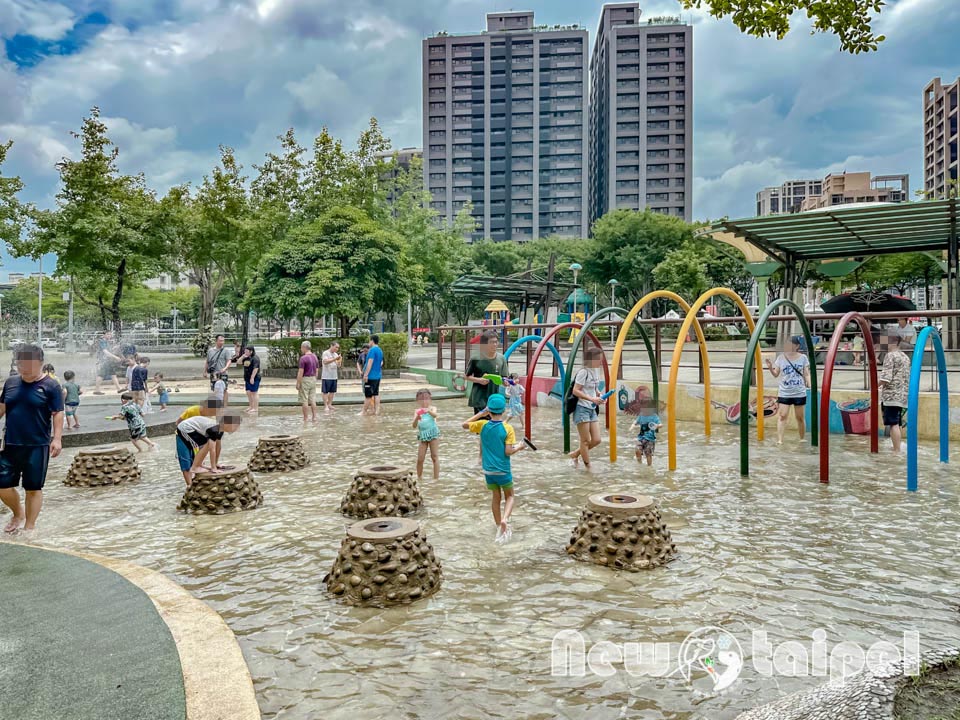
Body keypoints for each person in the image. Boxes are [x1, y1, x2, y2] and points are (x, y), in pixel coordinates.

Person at [0, 344, 64, 534]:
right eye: (20, 363)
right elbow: (2, 407)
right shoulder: (10, 383)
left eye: (29, 364)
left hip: (37, 445)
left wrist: (57, 439)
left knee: (33, 487)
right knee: (2, 484)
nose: (24, 368)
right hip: (10, 442)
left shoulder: (51, 386)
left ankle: (29, 526)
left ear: (41, 364)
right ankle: (18, 512)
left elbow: (57, 413)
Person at [462, 393, 525, 543]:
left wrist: (481, 413)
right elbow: (508, 451)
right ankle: (505, 519)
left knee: (495, 497)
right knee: (510, 496)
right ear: (504, 410)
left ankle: (498, 526)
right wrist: (520, 447)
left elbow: (464, 424)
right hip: (503, 470)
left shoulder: (482, 425)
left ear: (489, 411)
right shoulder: (507, 428)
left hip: (488, 471)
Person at [176, 411, 243, 486]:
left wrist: (215, 463)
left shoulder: (220, 429)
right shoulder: (214, 429)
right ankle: (195, 467)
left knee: (206, 444)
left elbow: (218, 447)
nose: (236, 428)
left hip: (193, 427)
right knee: (206, 444)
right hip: (185, 428)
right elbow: (212, 449)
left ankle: (199, 464)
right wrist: (213, 468)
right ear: (227, 423)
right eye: (235, 426)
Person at [765, 336, 811, 445]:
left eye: (790, 345)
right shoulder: (781, 358)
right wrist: (770, 367)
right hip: (785, 392)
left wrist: (810, 384)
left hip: (799, 391)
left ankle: (802, 439)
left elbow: (806, 373)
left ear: (797, 346)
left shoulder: (803, 357)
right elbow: (776, 374)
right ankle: (780, 440)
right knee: (782, 415)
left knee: (800, 417)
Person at [569, 347, 607, 470]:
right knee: (585, 440)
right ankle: (587, 467)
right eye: (598, 359)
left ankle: (575, 454)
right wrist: (592, 399)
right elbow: (575, 390)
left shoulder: (595, 371)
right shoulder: (583, 372)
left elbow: (594, 389)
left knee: (596, 440)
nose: (600, 361)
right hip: (581, 408)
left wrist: (600, 395)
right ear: (591, 359)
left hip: (591, 409)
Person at [464, 331, 509, 417]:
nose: (494, 344)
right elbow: (466, 376)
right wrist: (479, 380)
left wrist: (506, 382)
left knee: (493, 426)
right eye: (491, 342)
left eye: (496, 342)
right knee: (481, 427)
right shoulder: (476, 358)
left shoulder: (501, 358)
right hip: (479, 399)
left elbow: (504, 377)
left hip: (494, 399)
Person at [879, 334, 911, 453]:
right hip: (902, 395)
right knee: (896, 422)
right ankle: (896, 447)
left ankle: (896, 450)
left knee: (893, 423)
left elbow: (886, 377)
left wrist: (875, 385)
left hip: (891, 395)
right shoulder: (905, 357)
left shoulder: (890, 356)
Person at [412, 388, 440, 481]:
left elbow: (436, 416)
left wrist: (428, 411)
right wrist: (417, 418)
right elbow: (414, 426)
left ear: (430, 399)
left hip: (433, 434)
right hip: (423, 435)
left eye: (426, 398)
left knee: (434, 456)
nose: (424, 401)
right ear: (417, 400)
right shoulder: (417, 411)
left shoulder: (432, 408)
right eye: (421, 399)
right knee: (420, 458)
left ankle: (436, 478)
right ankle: (419, 477)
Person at [631, 400, 662, 467]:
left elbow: (661, 425)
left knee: (648, 454)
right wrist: (633, 425)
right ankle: (640, 464)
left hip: (650, 439)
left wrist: (657, 426)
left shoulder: (654, 416)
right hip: (641, 437)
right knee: (637, 450)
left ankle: (649, 467)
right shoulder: (641, 415)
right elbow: (636, 421)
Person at [296, 340, 319, 422]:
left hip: (305, 379)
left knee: (304, 399)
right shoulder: (315, 357)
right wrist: (315, 378)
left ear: (304, 347)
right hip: (313, 379)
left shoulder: (303, 358)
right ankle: (314, 417)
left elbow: (300, 372)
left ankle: (305, 418)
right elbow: (317, 370)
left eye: (301, 348)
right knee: (313, 399)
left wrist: (298, 383)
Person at [363, 335, 385, 416]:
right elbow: (381, 363)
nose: (369, 343)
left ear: (372, 341)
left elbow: (370, 362)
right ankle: (376, 411)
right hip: (377, 376)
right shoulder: (380, 350)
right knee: (376, 394)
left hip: (371, 376)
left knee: (368, 395)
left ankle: (363, 412)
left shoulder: (372, 350)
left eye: (369, 341)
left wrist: (366, 375)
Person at [320, 342, 341, 415]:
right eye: (336, 347)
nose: (337, 349)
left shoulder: (336, 354)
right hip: (326, 375)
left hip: (334, 375)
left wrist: (339, 361)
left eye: (338, 348)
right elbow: (325, 362)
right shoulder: (326, 353)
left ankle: (330, 404)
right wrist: (335, 358)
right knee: (325, 391)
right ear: (331, 346)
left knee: (332, 391)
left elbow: (338, 365)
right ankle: (325, 405)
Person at [241, 346, 261, 415]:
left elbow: (256, 369)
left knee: (254, 392)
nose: (245, 352)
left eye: (246, 351)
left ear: (251, 351)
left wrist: (252, 377)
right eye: (245, 351)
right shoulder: (245, 358)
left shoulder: (255, 358)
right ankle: (251, 406)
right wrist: (242, 357)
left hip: (254, 378)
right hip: (247, 377)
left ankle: (255, 408)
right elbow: (238, 362)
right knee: (248, 392)